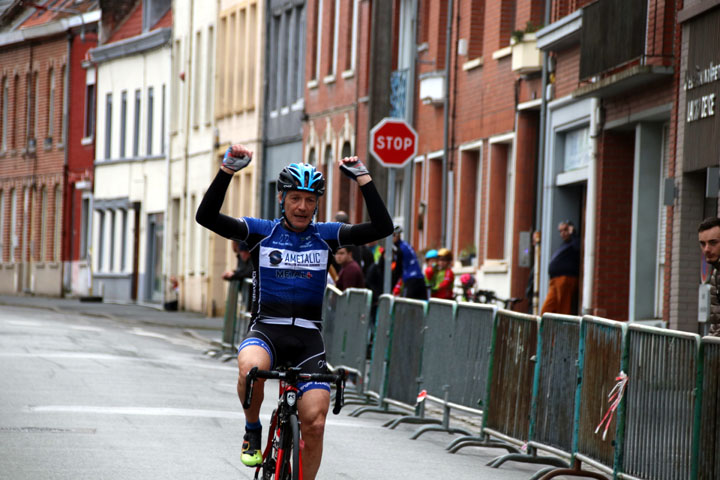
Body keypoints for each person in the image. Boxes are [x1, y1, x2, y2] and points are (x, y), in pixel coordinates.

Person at [195, 144, 393, 480]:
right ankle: (253, 429)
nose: (302, 207)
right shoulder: (261, 232)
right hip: (266, 331)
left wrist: (363, 179)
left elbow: (381, 227)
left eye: (310, 200)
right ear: (281, 199)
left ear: (317, 204)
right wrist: (227, 171)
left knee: (315, 422)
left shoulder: (327, 236)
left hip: (308, 340)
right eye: (295, 198)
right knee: (251, 369)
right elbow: (207, 217)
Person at [540, 220, 580, 315]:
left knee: (563, 308)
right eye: (560, 231)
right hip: (554, 280)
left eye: (565, 230)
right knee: (547, 308)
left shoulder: (575, 242)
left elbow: (579, 247)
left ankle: (563, 329)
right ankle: (543, 327)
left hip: (565, 279)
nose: (563, 233)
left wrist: (573, 234)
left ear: (570, 229)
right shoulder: (564, 244)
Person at [391, 226, 428, 300]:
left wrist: (391, 286)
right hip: (419, 278)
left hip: (411, 280)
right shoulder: (406, 245)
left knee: (408, 306)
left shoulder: (399, 249)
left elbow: (398, 270)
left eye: (393, 236)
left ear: (397, 236)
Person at [698, 217, 720, 336]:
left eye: (713, 242)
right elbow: (716, 323)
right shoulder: (716, 274)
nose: (706, 249)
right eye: (703, 244)